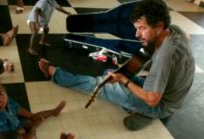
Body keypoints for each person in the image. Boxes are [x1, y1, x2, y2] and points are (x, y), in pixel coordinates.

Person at [38, 0, 195, 131]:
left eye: (142, 28)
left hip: (161, 104)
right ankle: (135, 108)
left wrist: (124, 80)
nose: (136, 35)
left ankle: (56, 74)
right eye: (136, 28)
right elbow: (186, 39)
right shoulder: (174, 31)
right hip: (173, 95)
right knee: (111, 72)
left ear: (160, 25)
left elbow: (152, 99)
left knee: (103, 85)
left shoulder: (165, 57)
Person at [0, 74, 67, 139]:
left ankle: (54, 111)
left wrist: (32, 116)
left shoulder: (4, 99)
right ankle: (31, 128)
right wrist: (21, 133)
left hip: (13, 125)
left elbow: (17, 108)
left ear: (4, 89)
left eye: (1, 93)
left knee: (35, 117)